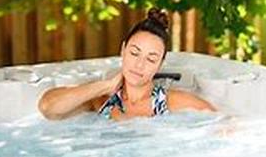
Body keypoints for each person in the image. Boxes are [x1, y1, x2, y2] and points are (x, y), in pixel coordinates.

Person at [38, 8, 216, 120]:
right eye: (134, 53)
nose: (140, 65)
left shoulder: (171, 101)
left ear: (159, 65)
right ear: (123, 50)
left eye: (151, 59)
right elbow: (48, 108)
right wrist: (105, 86)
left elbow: (223, 123)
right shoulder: (100, 100)